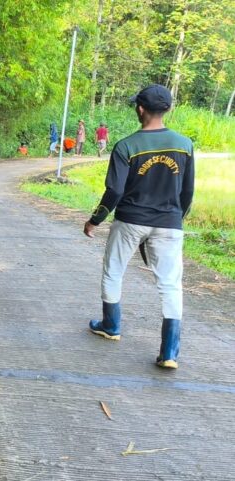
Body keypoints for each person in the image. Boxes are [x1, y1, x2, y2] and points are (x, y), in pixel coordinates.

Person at [82, 84, 194, 370]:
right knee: (170, 285)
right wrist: (175, 220)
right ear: (168, 108)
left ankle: (111, 325)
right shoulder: (185, 145)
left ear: (140, 109)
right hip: (169, 223)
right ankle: (169, 352)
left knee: (114, 270)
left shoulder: (126, 146)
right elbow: (187, 191)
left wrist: (95, 219)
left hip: (130, 220)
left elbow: (114, 191)